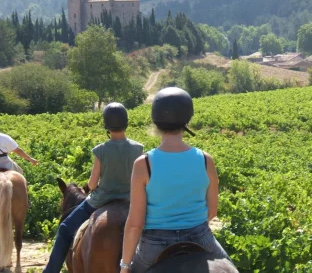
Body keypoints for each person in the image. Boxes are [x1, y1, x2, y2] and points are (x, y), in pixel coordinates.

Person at [120, 87, 232, 273]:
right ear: (187, 120)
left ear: (155, 121)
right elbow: (212, 211)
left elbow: (135, 224)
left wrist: (124, 266)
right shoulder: (205, 160)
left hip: (154, 245)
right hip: (200, 237)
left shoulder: (144, 164)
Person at [44, 103, 144, 273]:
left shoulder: (101, 150)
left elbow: (91, 184)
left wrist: (94, 186)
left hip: (101, 200)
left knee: (65, 229)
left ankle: (50, 271)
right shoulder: (138, 148)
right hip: (132, 200)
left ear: (106, 125)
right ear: (126, 122)